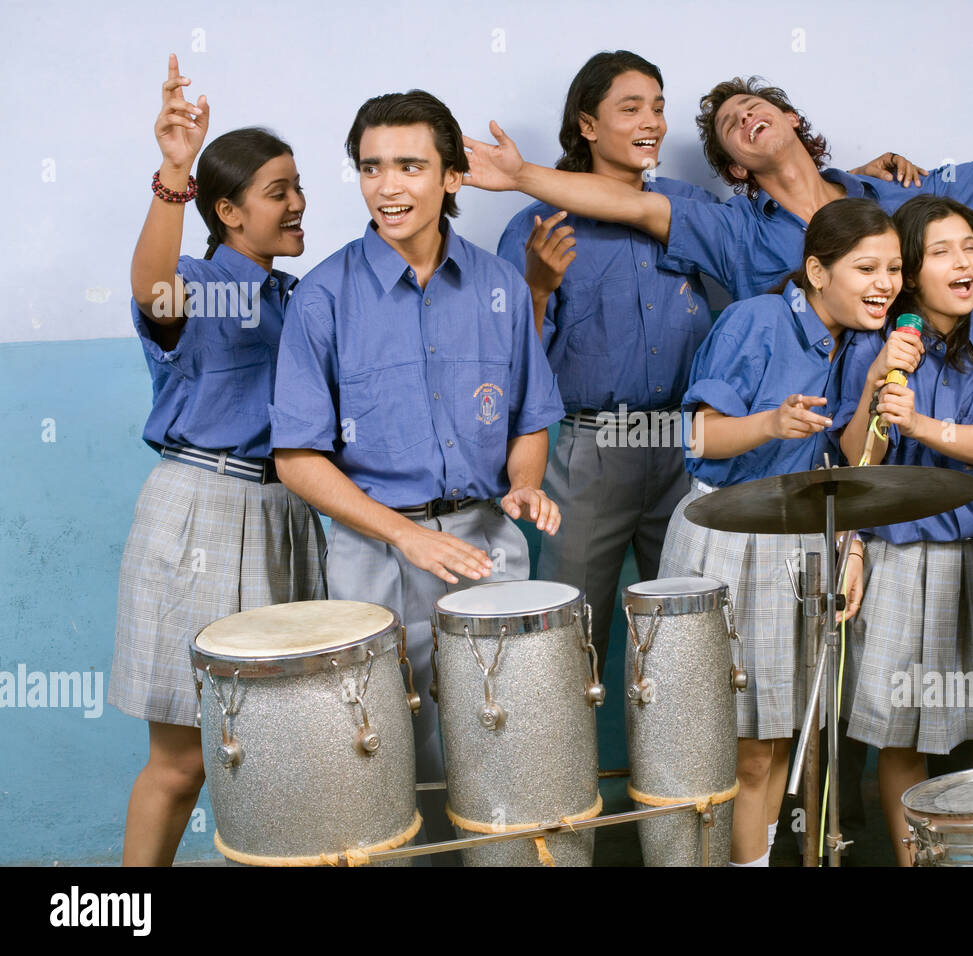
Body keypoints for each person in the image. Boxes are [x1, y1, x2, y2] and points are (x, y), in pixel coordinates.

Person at [269, 90, 564, 837]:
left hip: (486, 542)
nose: (387, 186)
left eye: (409, 165)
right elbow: (297, 459)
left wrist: (525, 485)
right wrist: (406, 536)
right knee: (384, 746)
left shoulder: (500, 287)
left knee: (500, 732)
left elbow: (530, 418)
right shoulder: (323, 297)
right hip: (373, 549)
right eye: (371, 167)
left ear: (452, 177)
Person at [110, 55, 326, 866]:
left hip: (288, 514)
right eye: (278, 192)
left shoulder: (301, 300)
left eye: (299, 186)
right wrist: (175, 172)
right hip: (200, 508)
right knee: (182, 761)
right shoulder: (198, 284)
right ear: (228, 212)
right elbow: (153, 292)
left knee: (283, 749)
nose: (298, 203)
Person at [658, 197, 905, 865]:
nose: (885, 283)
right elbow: (698, 436)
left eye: (893, 269)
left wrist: (876, 387)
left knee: (773, 740)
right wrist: (770, 422)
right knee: (740, 745)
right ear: (817, 272)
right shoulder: (757, 319)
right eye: (867, 268)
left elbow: (854, 460)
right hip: (726, 532)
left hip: (797, 539)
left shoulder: (861, 344)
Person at [464, 75, 973, 301]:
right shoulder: (734, 230)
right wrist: (521, 176)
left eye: (756, 106)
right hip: (796, 444)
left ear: (790, 121)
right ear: (735, 166)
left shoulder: (888, 193)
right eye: (729, 125)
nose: (745, 117)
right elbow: (630, 202)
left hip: (898, 424)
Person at [837, 195, 973, 866]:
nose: (964, 263)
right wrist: (876, 383)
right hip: (899, 554)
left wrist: (919, 423)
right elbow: (856, 460)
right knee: (900, 732)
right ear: (909, 272)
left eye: (971, 247)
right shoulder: (872, 344)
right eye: (942, 252)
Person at [495, 51, 718, 676]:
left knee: (686, 640)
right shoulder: (538, 225)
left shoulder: (689, 209)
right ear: (588, 125)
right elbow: (514, 365)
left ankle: (677, 747)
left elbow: (770, 234)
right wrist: (538, 288)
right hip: (592, 449)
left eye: (659, 106)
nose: (652, 121)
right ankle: (561, 745)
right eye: (631, 108)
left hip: (684, 444)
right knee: (569, 639)